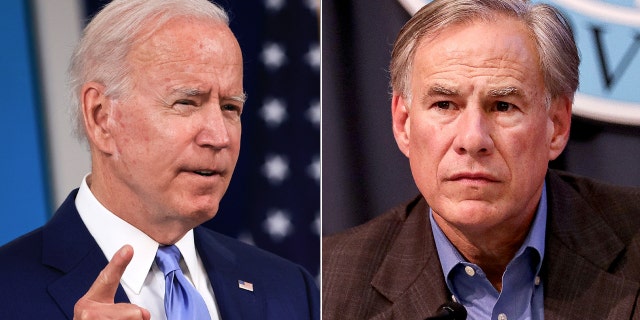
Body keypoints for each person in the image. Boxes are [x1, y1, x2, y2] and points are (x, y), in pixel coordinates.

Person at [0, 0, 319, 319]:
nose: (219, 137)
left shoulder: (291, 289)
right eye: (186, 103)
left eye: (230, 108)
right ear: (101, 117)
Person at [322, 0, 640, 319]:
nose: (473, 140)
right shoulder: (327, 287)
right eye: (445, 105)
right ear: (403, 123)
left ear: (556, 126)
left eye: (503, 106)